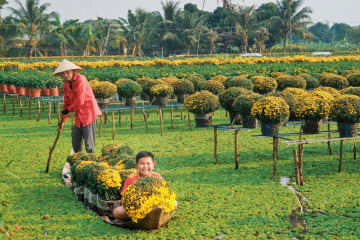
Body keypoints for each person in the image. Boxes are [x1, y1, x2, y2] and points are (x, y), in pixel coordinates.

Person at [53, 59, 102, 153]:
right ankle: (79, 161)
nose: (65, 75)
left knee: (89, 143)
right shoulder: (66, 84)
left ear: (73, 71)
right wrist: (62, 121)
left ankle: (90, 162)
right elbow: (66, 102)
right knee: (75, 138)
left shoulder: (81, 79)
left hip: (89, 112)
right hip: (79, 114)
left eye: (67, 72)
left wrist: (67, 110)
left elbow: (80, 101)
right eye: (63, 74)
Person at [113, 151, 178, 220]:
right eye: (142, 163)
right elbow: (124, 198)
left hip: (155, 205)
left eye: (148, 163)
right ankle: (142, 216)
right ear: (137, 166)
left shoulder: (157, 176)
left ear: (153, 165)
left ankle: (151, 216)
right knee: (117, 212)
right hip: (137, 208)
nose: (145, 166)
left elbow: (166, 193)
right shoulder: (131, 178)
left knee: (174, 203)